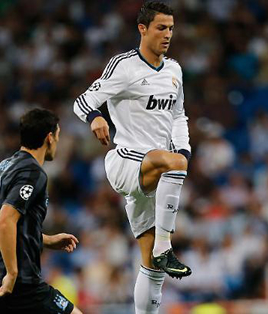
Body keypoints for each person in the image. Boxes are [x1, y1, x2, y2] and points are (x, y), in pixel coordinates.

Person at [73, 2, 191, 313]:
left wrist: (184, 147)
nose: (167, 35)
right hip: (125, 160)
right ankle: (166, 246)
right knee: (175, 163)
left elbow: (179, 116)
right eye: (161, 28)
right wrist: (95, 118)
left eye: (171, 28)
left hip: (155, 172)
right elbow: (83, 100)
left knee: (149, 264)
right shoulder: (124, 66)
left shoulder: (174, 70)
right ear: (142, 28)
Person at [0, 109, 82, 314]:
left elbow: (13, 224)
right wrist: (12, 273)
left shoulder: (5, 165)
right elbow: (4, 221)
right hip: (18, 284)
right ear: (49, 138)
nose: (58, 143)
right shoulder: (33, 172)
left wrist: (48, 240)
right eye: (58, 137)